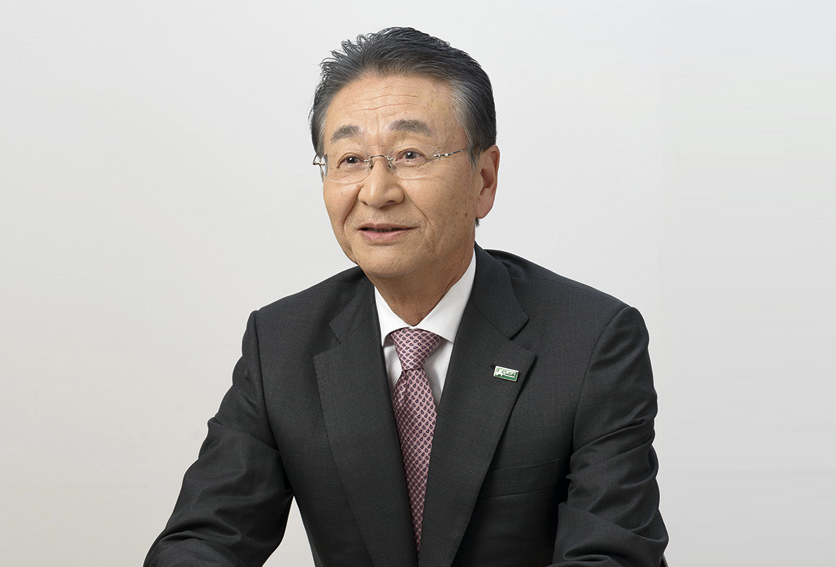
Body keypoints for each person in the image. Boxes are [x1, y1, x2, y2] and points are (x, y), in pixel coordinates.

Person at [145, 27, 668, 567]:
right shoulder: (280, 343)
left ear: (483, 179)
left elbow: (614, 555)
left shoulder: (592, 340)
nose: (376, 192)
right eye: (350, 160)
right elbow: (201, 542)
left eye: (411, 154)